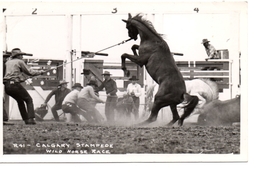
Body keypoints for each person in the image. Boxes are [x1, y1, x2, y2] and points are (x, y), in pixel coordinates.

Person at [3, 48, 44, 125]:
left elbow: (10, 75)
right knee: (29, 99)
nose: (22, 56)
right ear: (18, 56)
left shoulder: (7, 63)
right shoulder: (20, 62)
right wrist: (40, 72)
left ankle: (26, 120)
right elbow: (29, 72)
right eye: (21, 55)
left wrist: (21, 78)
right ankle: (31, 119)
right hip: (15, 84)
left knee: (20, 101)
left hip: (7, 86)